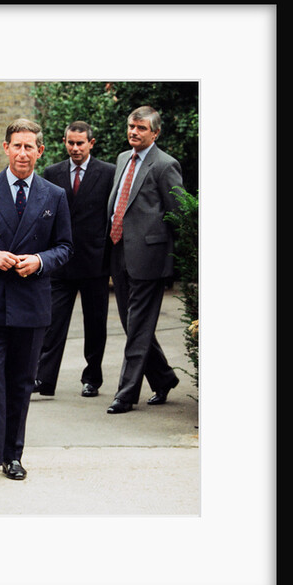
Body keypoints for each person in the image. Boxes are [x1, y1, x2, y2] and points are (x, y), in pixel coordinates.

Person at [0, 119, 72, 486]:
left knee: (21, 381)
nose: (23, 153)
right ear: (4, 148)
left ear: (40, 151)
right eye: (16, 146)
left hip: (32, 302)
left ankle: (12, 456)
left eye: (30, 147)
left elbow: (65, 247)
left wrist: (39, 261)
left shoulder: (54, 195)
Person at [105, 106, 183, 414]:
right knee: (131, 324)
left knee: (137, 327)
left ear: (155, 132)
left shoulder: (166, 165)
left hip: (149, 258)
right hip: (118, 250)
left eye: (141, 128)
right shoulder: (123, 159)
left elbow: (178, 216)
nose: (134, 132)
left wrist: (169, 263)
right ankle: (163, 378)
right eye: (131, 126)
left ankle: (125, 394)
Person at [35, 121, 115, 398]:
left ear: (91, 144)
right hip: (61, 262)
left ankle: (92, 378)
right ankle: (44, 379)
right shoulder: (51, 172)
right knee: (52, 322)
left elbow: (112, 217)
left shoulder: (108, 173)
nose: (75, 148)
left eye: (80, 143)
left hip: (95, 262)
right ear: (64, 141)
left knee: (95, 325)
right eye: (70, 143)